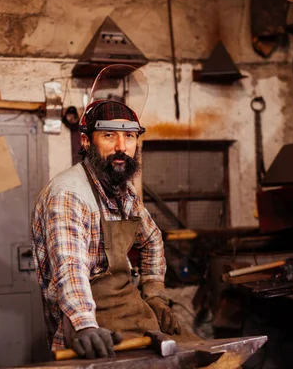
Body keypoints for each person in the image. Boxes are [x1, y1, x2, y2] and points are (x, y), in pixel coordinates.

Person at [31, 66, 185, 359]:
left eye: (129, 137)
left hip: (132, 316)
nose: (121, 147)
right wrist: (85, 325)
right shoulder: (69, 194)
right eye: (109, 135)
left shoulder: (123, 192)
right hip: (86, 326)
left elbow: (152, 239)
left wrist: (153, 292)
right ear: (86, 141)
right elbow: (70, 267)